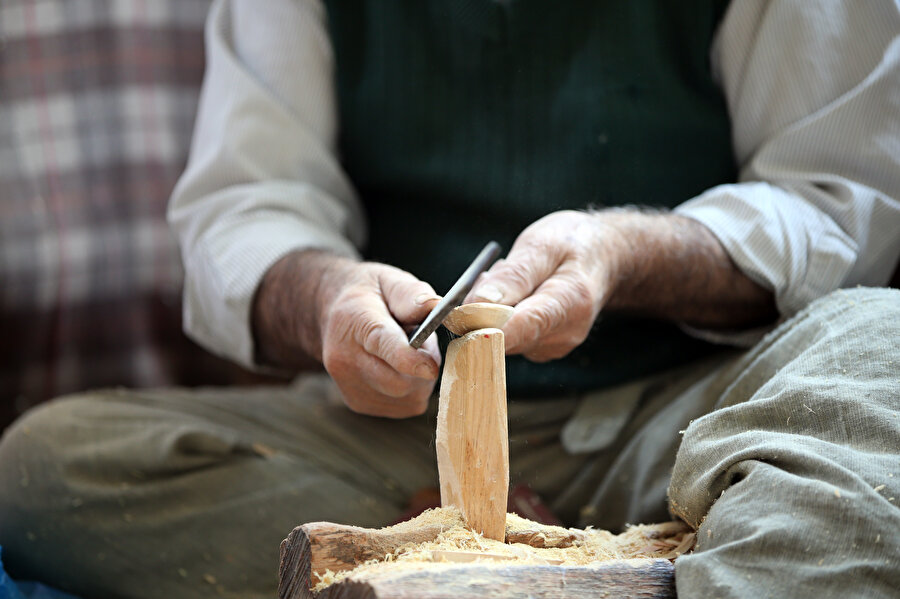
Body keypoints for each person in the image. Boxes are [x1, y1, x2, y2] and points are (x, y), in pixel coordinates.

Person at [1, 0, 898, 597]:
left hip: (692, 410)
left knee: (882, 356)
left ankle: (438, 574)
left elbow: (837, 200)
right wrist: (328, 297)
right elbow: (248, 208)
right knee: (48, 465)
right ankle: (551, 556)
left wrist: (620, 253)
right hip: (399, 440)